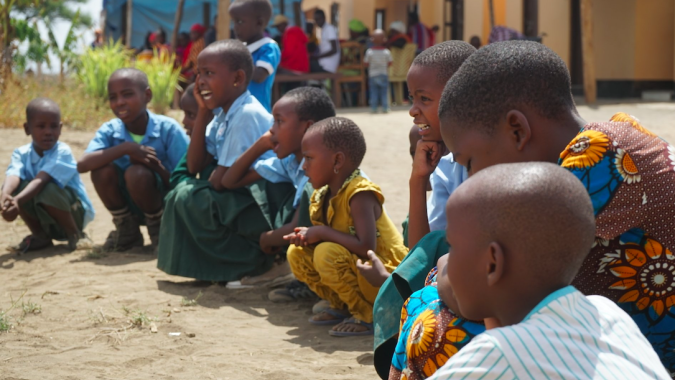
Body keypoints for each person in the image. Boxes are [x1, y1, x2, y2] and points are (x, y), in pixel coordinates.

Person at [427, 163, 670, 380]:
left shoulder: (497, 353)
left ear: (492, 263)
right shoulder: (606, 313)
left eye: (453, 246)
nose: (449, 258)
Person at [371, 41, 475, 379]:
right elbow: (420, 249)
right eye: (412, 99)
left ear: (463, 97)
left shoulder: (493, 157)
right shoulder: (446, 166)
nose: (413, 111)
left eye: (424, 100)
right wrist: (419, 180)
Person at [156, 40, 294, 283]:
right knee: (183, 192)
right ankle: (217, 266)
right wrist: (203, 113)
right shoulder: (222, 114)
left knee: (190, 198)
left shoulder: (246, 114)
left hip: (265, 204)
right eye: (199, 74)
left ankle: (256, 264)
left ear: (238, 79)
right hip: (242, 194)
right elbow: (194, 165)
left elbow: (220, 182)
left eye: (209, 73)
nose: (200, 82)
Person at [284, 117, 408, 337]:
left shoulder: (359, 194)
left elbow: (365, 246)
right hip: (359, 270)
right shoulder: (322, 195)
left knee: (325, 253)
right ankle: (341, 306)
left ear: (337, 161)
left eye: (309, 158)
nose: (304, 167)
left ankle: (369, 314)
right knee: (298, 253)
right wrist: (307, 237)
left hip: (384, 278)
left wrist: (320, 233)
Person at [221, 87, 336, 286]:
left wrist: (266, 239)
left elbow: (298, 227)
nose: (271, 129)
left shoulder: (322, 168)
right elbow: (229, 181)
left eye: (279, 121)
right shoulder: (290, 162)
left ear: (308, 128)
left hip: (341, 249)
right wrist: (260, 145)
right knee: (267, 185)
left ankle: (301, 278)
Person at [77, 68, 189, 252]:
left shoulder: (168, 130)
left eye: (127, 94)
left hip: (163, 205)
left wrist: (155, 167)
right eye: (113, 97)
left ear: (147, 95)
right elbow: (82, 165)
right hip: (129, 205)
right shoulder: (110, 130)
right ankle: (127, 231)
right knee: (100, 170)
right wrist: (126, 148)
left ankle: (159, 230)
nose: (119, 102)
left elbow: (185, 182)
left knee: (137, 173)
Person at [2, 98, 94, 254]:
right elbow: (13, 175)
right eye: (41, 126)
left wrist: (17, 201)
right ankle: (40, 236)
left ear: (60, 128)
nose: (48, 132)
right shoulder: (21, 153)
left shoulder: (62, 152)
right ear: (27, 129)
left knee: (47, 189)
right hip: (46, 215)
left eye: (53, 126)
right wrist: (5, 196)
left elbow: (41, 180)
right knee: (17, 188)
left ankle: (75, 235)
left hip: (74, 213)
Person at [229, 0, 280, 112]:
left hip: (257, 112)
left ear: (259, 23)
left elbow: (259, 75)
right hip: (237, 110)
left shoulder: (268, 47)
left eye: (240, 22)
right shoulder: (242, 48)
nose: (235, 27)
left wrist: (236, 57)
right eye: (234, 22)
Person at [168, 83, 216, 190]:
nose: (184, 121)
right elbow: (177, 177)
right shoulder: (200, 144)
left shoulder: (232, 140)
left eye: (191, 115)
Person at [364, 29, 392, 113]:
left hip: (373, 75)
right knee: (384, 92)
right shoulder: (387, 52)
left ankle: (374, 108)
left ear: (372, 39)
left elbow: (366, 63)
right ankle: (385, 108)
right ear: (384, 40)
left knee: (374, 92)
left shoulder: (369, 52)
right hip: (383, 74)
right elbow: (390, 63)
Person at [309, 9, 340, 73]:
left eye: (318, 19)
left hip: (327, 66)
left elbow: (334, 49)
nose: (317, 22)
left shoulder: (329, 29)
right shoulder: (324, 29)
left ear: (324, 18)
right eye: (315, 20)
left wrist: (318, 57)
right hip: (323, 64)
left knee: (306, 65)